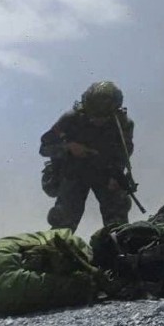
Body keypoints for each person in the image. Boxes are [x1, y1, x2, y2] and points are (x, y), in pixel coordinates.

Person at [40, 81, 135, 232]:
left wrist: (116, 175)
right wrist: (68, 147)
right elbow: (44, 148)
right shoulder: (70, 119)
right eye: (93, 114)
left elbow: (124, 152)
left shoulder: (122, 124)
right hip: (73, 171)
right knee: (64, 220)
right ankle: (58, 249)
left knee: (118, 218)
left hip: (105, 172)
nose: (97, 119)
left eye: (102, 116)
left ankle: (117, 247)